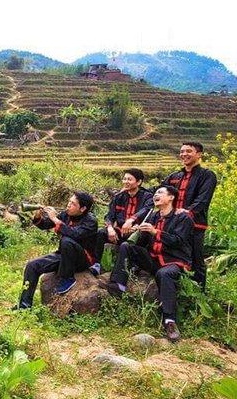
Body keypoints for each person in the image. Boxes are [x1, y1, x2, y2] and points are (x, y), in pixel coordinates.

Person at [98, 185, 193, 342]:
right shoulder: (153, 216)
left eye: (160, 193)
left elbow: (178, 241)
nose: (156, 195)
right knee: (126, 246)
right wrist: (138, 231)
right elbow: (143, 242)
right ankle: (118, 286)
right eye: (155, 193)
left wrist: (155, 232)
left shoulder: (182, 218)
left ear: (171, 197)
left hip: (173, 260)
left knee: (163, 274)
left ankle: (170, 321)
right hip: (154, 258)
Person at [12, 192, 98, 310]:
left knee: (67, 240)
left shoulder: (91, 221)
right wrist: (38, 217)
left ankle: (67, 278)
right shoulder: (65, 214)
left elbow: (74, 234)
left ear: (82, 208)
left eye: (73, 204)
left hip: (82, 260)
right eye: (69, 202)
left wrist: (55, 219)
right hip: (64, 256)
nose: (68, 205)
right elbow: (45, 225)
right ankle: (24, 306)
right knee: (32, 265)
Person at [160, 142, 216, 290]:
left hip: (195, 224)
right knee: (172, 254)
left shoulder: (207, 175)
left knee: (196, 258)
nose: (184, 154)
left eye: (188, 151)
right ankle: (178, 288)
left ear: (199, 154)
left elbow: (203, 199)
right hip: (173, 223)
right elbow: (159, 190)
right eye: (182, 151)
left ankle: (199, 294)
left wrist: (188, 211)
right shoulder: (175, 176)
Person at [90, 168, 153, 276]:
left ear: (139, 182)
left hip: (137, 232)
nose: (125, 182)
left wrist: (132, 220)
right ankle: (96, 264)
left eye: (129, 179)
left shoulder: (147, 197)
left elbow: (146, 210)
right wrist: (110, 228)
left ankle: (135, 266)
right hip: (120, 232)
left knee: (143, 236)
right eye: (124, 179)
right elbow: (110, 215)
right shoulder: (119, 197)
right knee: (101, 233)